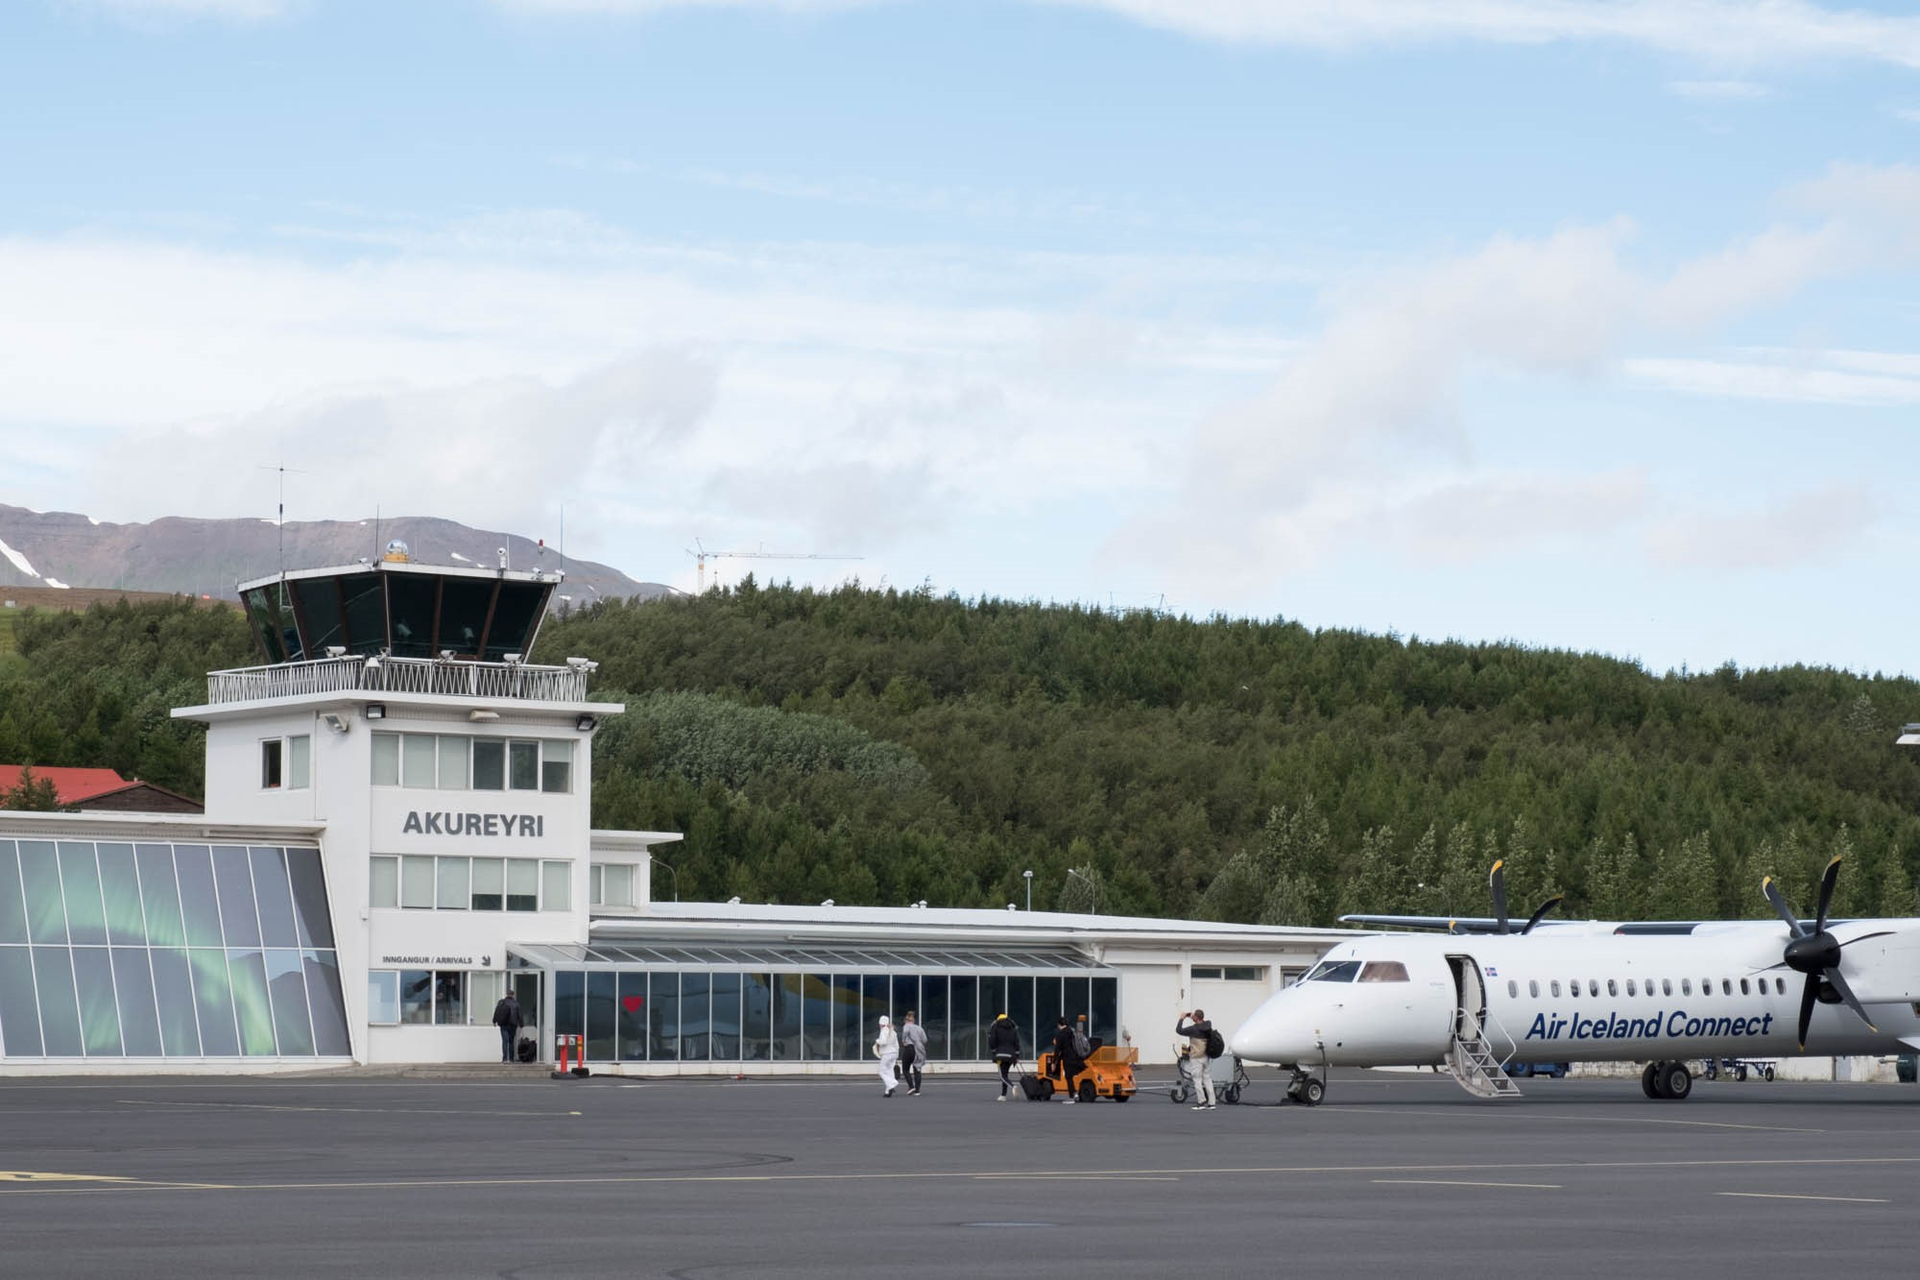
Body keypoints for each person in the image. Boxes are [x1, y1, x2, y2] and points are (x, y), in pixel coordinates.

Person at [1177, 1008, 1215, 1110]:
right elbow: (1200, 1022)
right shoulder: (1207, 1026)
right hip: (1206, 1057)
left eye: (1194, 1016)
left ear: (1196, 1017)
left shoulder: (1193, 1029)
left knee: (1197, 1080)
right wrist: (1192, 1016)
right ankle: (1212, 1103)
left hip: (1196, 1058)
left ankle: (1201, 1102)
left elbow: (1179, 1030)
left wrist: (1182, 1018)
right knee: (1207, 1079)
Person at [1051, 1015, 1085, 1103]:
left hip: (1068, 1058)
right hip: (1078, 1056)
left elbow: (1057, 1050)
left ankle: (1072, 1096)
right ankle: (1076, 1093)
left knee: (1068, 1076)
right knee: (1077, 1073)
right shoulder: (1072, 1031)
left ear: (1059, 1025)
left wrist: (1054, 1063)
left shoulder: (1060, 1034)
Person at [987, 1012, 1021, 1101]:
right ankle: (1003, 1095)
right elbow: (1017, 1042)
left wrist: (994, 1052)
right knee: (1005, 1074)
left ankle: (1013, 1086)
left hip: (1000, 1054)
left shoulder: (996, 1026)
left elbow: (992, 1041)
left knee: (1002, 1075)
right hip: (1011, 1055)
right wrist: (1017, 1055)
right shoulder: (1013, 1027)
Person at [899, 1010, 929, 1096]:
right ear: (914, 1020)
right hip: (919, 1050)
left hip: (909, 1048)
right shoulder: (920, 1028)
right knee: (917, 1070)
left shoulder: (907, 1026)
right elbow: (925, 1040)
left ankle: (911, 1086)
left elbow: (905, 1032)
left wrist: (903, 1040)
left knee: (905, 1069)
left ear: (906, 1020)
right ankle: (917, 1091)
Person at [492, 989, 524, 1064]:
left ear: (507, 994)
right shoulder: (516, 1004)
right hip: (513, 1025)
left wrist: (494, 1021)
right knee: (511, 1041)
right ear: (513, 995)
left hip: (503, 1024)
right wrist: (521, 1024)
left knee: (504, 1041)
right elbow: (520, 1015)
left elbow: (497, 1011)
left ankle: (505, 1059)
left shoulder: (501, 1002)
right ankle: (511, 1059)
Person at [873, 1015, 900, 1097]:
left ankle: (892, 1083)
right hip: (893, 1053)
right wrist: (896, 1056)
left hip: (886, 1053)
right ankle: (888, 1091)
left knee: (881, 1071)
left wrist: (877, 1041)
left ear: (881, 1023)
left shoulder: (884, 1030)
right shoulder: (893, 1031)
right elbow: (897, 1045)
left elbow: (883, 1042)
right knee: (889, 1070)